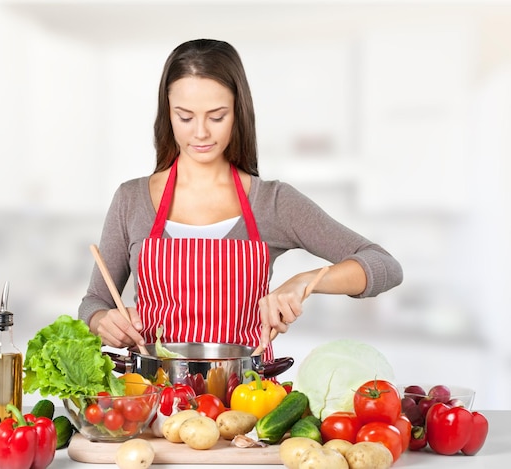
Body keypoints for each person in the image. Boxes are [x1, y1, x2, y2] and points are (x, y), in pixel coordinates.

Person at [78, 39, 403, 360]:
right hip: (155, 403)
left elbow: (385, 265)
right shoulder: (131, 199)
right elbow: (94, 301)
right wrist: (101, 321)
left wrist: (305, 282)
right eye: (185, 117)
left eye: (217, 116)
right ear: (168, 114)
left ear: (238, 113)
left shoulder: (273, 202)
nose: (201, 132)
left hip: (245, 402)